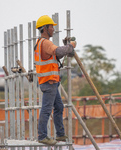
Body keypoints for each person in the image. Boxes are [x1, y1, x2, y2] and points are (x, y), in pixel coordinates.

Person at [34, 15, 76, 145]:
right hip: (49, 82)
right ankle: (42, 136)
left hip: (51, 82)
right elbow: (58, 51)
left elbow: (57, 53)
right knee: (47, 109)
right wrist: (71, 46)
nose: (53, 29)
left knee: (59, 106)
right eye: (51, 26)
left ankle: (60, 134)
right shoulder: (45, 43)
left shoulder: (40, 43)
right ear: (45, 28)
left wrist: (68, 49)